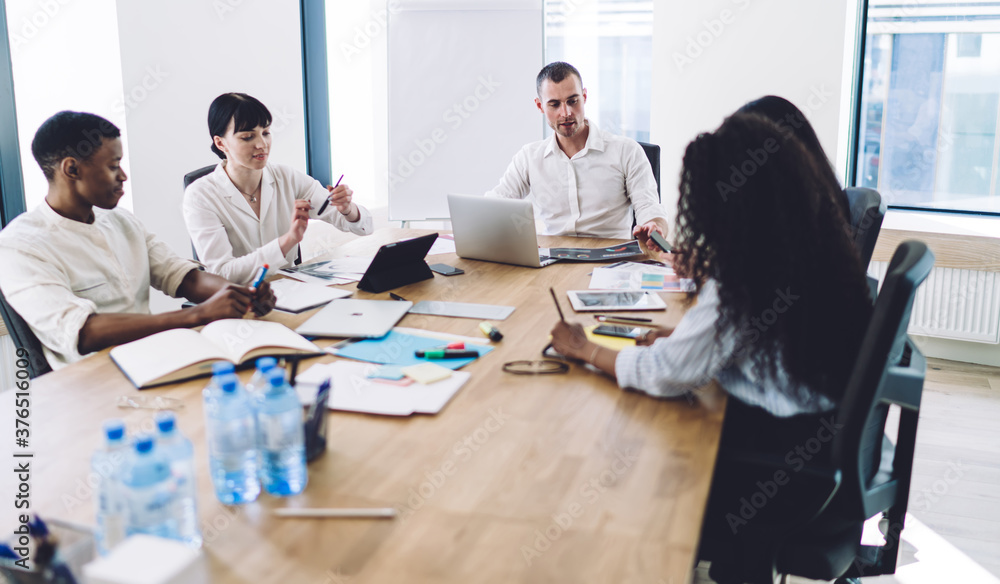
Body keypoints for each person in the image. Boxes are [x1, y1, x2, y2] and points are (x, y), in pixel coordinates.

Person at [0, 111, 276, 370]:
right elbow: (82, 331)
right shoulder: (19, 245)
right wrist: (196, 316)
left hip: (152, 358)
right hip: (92, 380)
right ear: (71, 169)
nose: (123, 176)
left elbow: (184, 278)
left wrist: (238, 294)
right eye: (113, 166)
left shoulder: (121, 220)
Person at [183, 93, 373, 283]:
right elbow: (222, 273)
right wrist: (288, 240)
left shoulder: (287, 177)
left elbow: (365, 227)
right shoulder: (200, 195)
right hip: (239, 302)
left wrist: (348, 210)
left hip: (292, 292)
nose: (261, 144)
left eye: (265, 133)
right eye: (248, 137)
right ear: (220, 143)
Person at [485, 62, 668, 244]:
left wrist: (655, 227)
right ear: (540, 106)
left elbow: (650, 209)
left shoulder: (625, 151)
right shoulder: (529, 157)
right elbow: (496, 204)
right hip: (554, 261)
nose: (566, 113)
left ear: (585, 96)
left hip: (611, 260)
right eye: (554, 105)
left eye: (573, 101)